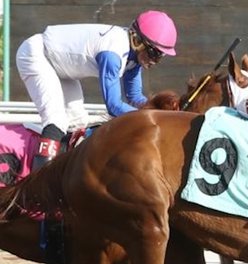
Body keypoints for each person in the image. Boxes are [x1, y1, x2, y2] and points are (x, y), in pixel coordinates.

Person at [16, 9, 178, 171]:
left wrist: (161, 114)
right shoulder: (112, 54)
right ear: (137, 41)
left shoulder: (134, 57)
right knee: (56, 120)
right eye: (154, 53)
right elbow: (113, 105)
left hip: (60, 67)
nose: (155, 61)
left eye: (160, 56)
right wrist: (151, 119)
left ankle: (64, 172)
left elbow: (135, 97)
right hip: (37, 55)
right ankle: (38, 178)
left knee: (77, 122)